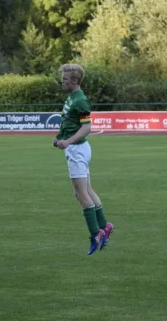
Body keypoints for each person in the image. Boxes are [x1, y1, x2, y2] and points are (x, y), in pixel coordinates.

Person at [53, 64, 114, 255]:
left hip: (77, 150)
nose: (61, 81)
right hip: (77, 149)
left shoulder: (80, 100)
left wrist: (68, 141)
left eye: (64, 79)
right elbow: (69, 124)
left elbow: (87, 128)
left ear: (75, 81)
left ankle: (96, 233)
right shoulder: (71, 98)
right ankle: (105, 225)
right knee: (87, 190)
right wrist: (60, 137)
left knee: (80, 194)